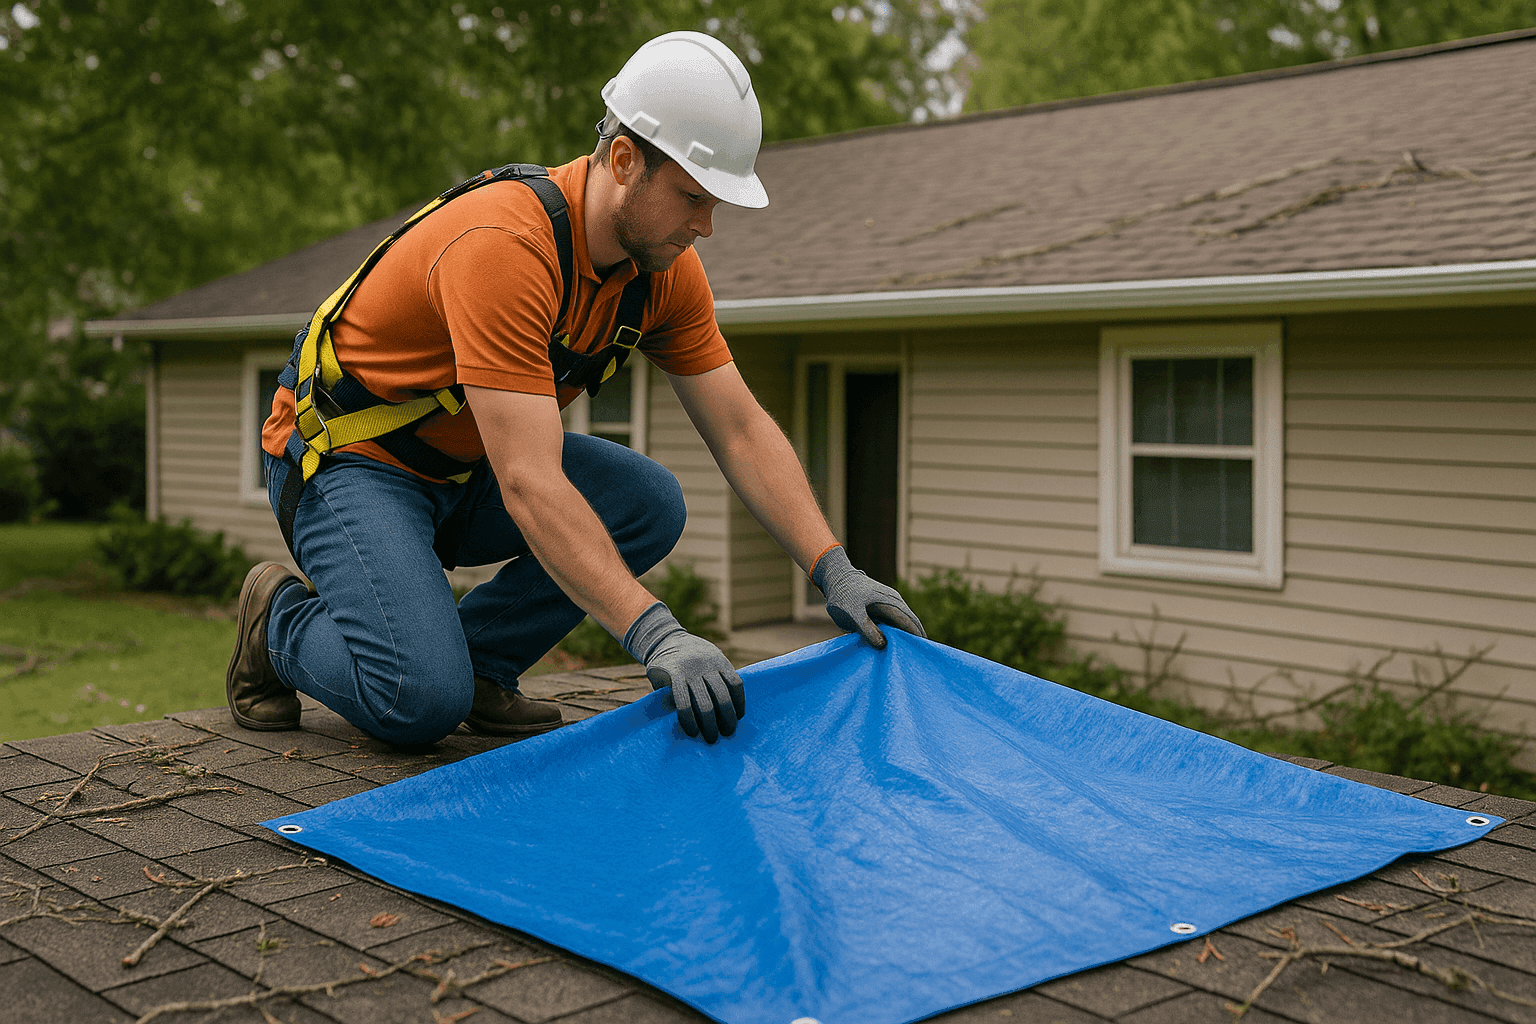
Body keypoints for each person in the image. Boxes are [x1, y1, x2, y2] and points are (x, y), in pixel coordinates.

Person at [226, 30, 924, 748]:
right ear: (624, 160)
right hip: (349, 462)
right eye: (692, 196)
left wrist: (835, 571)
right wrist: (656, 633)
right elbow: (530, 481)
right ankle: (277, 620)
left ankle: (482, 664)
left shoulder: (661, 273)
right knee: (418, 704)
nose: (707, 226)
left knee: (648, 502)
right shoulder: (504, 248)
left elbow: (741, 429)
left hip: (466, 469)